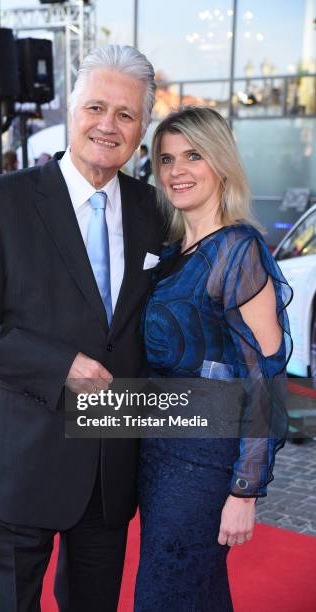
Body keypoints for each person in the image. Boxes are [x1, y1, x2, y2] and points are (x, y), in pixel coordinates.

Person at [0, 45, 163, 612]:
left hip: (109, 469)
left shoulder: (154, 210)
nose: (108, 126)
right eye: (96, 107)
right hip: (22, 458)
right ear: (70, 109)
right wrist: (60, 366)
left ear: (141, 128)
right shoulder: (1, 200)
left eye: (126, 115)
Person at [134, 107, 292, 611]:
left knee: (168, 591)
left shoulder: (238, 250)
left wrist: (245, 492)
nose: (177, 170)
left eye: (193, 156)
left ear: (221, 162)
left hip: (203, 463)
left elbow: (264, 379)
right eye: (166, 159)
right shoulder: (174, 249)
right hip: (157, 454)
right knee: (193, 591)